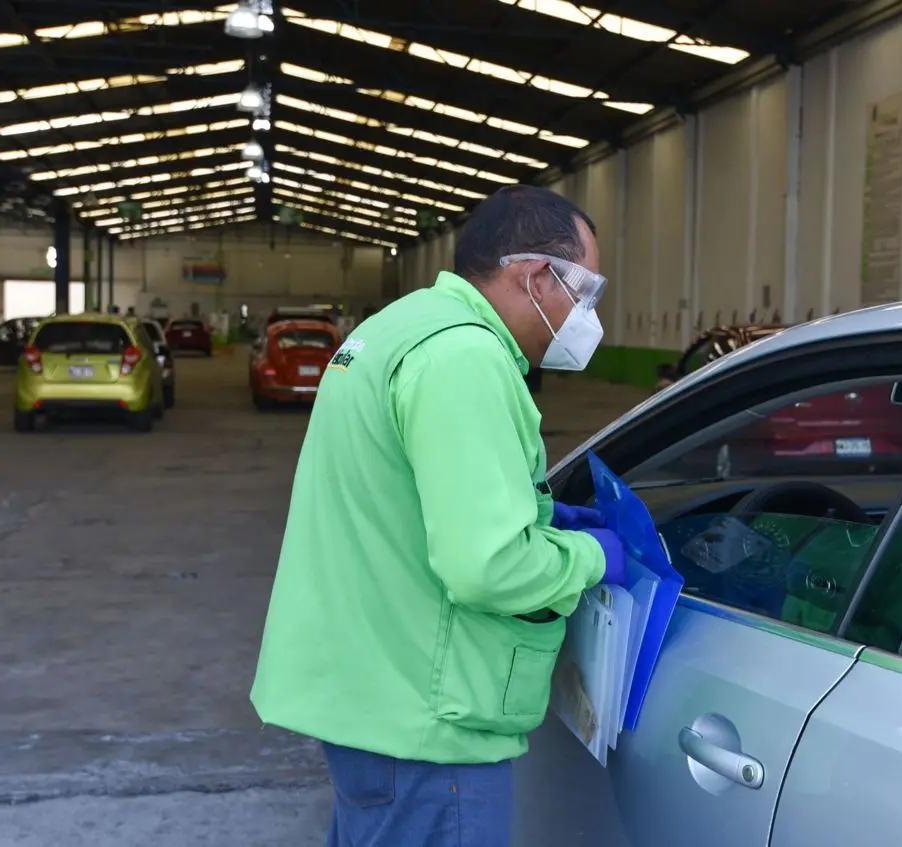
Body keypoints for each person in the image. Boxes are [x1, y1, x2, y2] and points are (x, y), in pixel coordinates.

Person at [250, 185, 628, 847]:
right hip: (426, 729)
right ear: (538, 276)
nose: (587, 315)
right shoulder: (465, 358)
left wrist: (534, 508)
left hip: (370, 695)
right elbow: (488, 566)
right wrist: (598, 556)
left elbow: (399, 494)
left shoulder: (403, 326)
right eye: (586, 292)